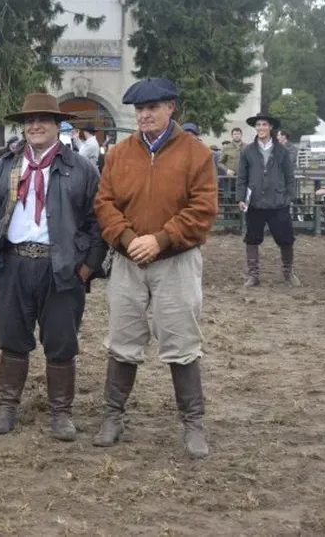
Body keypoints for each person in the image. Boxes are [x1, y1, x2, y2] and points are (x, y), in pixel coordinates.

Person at [93, 78, 218, 458]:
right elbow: (104, 203)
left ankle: (193, 423)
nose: (144, 115)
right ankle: (113, 416)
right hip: (128, 260)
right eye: (139, 109)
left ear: (170, 108)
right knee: (122, 339)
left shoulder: (196, 153)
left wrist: (161, 239)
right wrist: (128, 237)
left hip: (176, 260)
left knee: (182, 341)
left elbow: (203, 208)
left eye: (152, 108)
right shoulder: (119, 154)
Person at [0, 93, 106, 441]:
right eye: (29, 120)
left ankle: (61, 413)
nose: (35, 126)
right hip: (14, 264)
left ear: (57, 125)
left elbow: (98, 223)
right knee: (12, 339)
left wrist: (87, 267)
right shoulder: (6, 165)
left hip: (61, 268)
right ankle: (6, 406)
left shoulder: (82, 168)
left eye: (43, 120)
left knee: (61, 342)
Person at [236, 114, 299, 288]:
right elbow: (242, 177)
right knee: (252, 238)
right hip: (255, 202)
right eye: (258, 125)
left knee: (286, 238)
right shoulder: (247, 151)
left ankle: (288, 272)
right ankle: (253, 275)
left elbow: (289, 176)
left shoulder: (282, 151)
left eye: (264, 124)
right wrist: (240, 198)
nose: (261, 128)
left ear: (270, 127)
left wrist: (289, 197)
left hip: (278, 202)